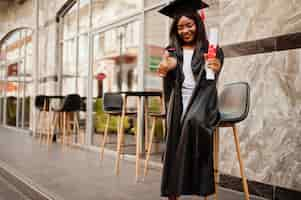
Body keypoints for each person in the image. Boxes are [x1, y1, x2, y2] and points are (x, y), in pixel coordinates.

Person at [157, 0, 224, 199]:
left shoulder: (210, 49)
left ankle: (195, 188)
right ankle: (173, 192)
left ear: (198, 23)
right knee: (175, 127)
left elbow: (215, 70)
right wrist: (167, 66)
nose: (185, 30)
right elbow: (167, 63)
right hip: (179, 102)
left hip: (203, 102)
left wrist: (216, 65)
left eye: (189, 25)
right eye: (180, 27)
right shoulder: (171, 50)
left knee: (191, 122)